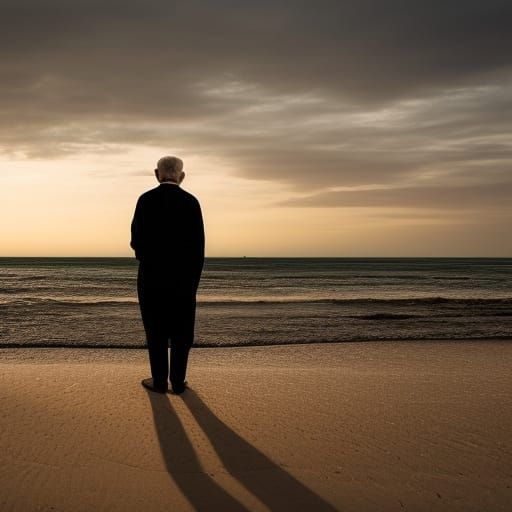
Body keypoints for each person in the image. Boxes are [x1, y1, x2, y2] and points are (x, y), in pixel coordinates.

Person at [130, 156, 205, 394]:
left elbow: (136, 242)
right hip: (184, 279)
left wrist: (150, 259)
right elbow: (198, 248)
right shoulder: (191, 202)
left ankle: (160, 380)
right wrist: (193, 280)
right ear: (181, 176)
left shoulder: (145, 200)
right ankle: (179, 382)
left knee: (155, 330)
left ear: (156, 174)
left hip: (152, 277)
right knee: (182, 332)